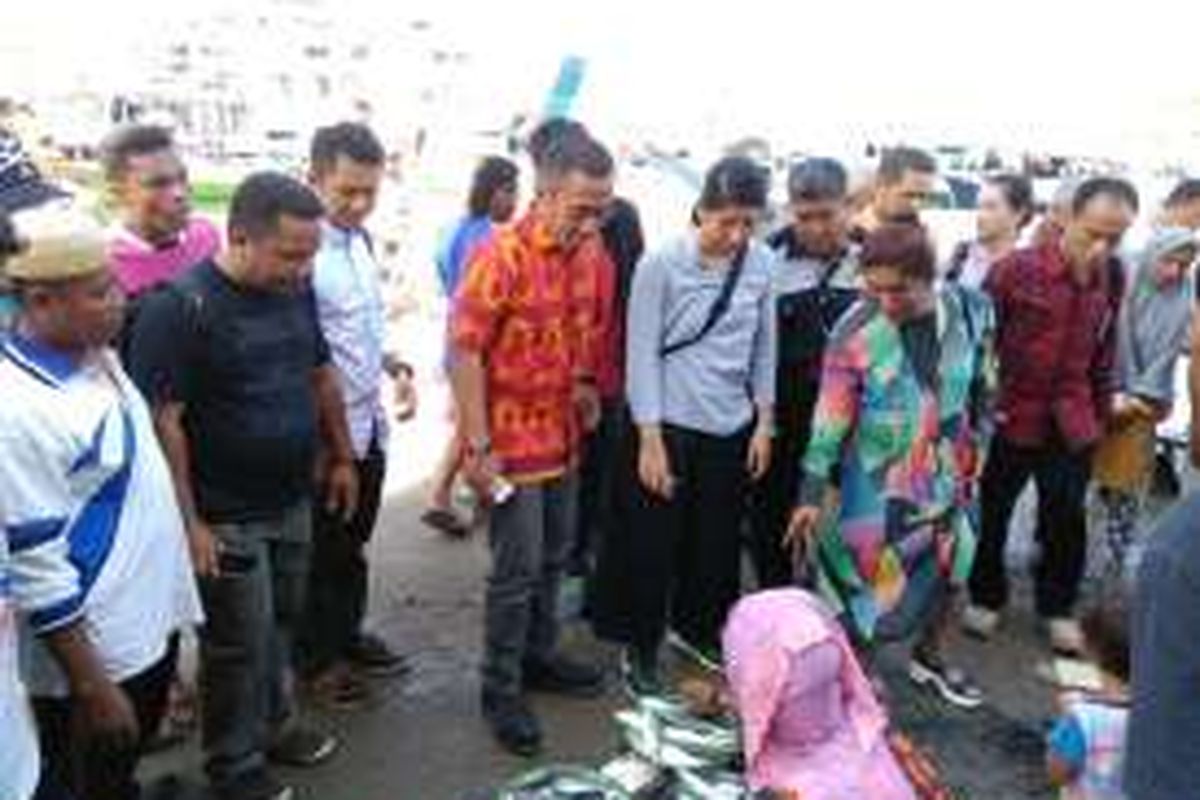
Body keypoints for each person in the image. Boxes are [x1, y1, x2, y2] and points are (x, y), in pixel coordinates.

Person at [127, 173, 357, 800]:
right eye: (290, 254)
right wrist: (190, 522)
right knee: (237, 645)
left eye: (310, 253)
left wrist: (342, 457)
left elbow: (320, 372)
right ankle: (232, 765)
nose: (303, 268)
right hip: (224, 515)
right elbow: (162, 420)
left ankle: (276, 724)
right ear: (239, 237)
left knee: (282, 623)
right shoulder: (178, 308)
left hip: (290, 497)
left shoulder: (294, 289)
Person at [0, 207, 202, 800]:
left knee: (119, 763)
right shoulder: (18, 413)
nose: (119, 299)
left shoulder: (93, 355)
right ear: (39, 302)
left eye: (114, 283)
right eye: (98, 292)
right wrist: (92, 684)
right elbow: (36, 562)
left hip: (142, 622)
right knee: (87, 771)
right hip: (97, 647)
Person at [451, 132, 613, 756]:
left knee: (555, 556)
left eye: (603, 206)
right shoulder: (502, 255)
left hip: (564, 436)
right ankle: (501, 687)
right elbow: (464, 351)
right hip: (510, 443)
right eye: (583, 207)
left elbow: (579, 335)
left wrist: (583, 385)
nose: (594, 220)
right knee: (515, 572)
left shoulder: (590, 251)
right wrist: (478, 442)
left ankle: (540, 657)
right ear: (544, 195)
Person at [786, 223, 993, 709]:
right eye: (873, 287)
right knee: (863, 580)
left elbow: (986, 382)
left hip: (952, 470)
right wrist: (810, 494)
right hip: (878, 479)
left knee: (955, 565)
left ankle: (931, 656)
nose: (885, 300)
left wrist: (979, 449)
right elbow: (830, 416)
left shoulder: (972, 309)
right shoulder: (855, 328)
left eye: (898, 289)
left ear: (931, 276)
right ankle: (859, 670)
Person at [595, 156, 776, 695]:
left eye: (749, 222)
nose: (737, 234)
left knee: (715, 543)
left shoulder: (761, 262)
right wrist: (648, 438)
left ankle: (695, 631)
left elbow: (763, 344)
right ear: (702, 211)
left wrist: (765, 420)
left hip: (730, 427)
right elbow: (641, 353)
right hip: (667, 424)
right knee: (651, 542)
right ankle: (639, 646)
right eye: (726, 222)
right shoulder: (661, 263)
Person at [965, 177, 1137, 655]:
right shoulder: (1015, 270)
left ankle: (1057, 606)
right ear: (1066, 218)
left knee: (1065, 515)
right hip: (1013, 413)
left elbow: (1104, 352)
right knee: (994, 510)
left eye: (1115, 237)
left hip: (1074, 416)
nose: (1102, 245)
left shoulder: (1114, 275)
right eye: (1094, 232)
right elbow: (977, 342)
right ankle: (986, 594)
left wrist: (1100, 416)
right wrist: (978, 411)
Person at [300, 122, 416, 709]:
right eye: (346, 191)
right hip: (326, 435)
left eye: (369, 191)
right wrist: (332, 447)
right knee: (322, 552)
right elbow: (307, 357)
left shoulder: (360, 242)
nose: (359, 204)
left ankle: (345, 636)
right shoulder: (301, 253)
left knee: (352, 545)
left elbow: (356, 331)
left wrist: (393, 364)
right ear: (313, 177)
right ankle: (316, 663)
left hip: (370, 425)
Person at [749, 157, 860, 588]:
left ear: (848, 205)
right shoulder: (766, 259)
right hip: (782, 417)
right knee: (771, 516)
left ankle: (828, 616)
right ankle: (776, 607)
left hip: (849, 426)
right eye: (804, 217)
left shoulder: (872, 260)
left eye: (826, 215)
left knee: (839, 525)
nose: (815, 227)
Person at [723, 589, 916, 800]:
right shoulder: (782, 789)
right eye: (796, 695)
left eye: (830, 684)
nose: (819, 703)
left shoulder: (864, 736)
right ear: (762, 701)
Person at [424, 155, 519, 537]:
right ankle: (443, 495)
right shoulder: (488, 239)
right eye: (511, 190)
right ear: (494, 191)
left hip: (453, 337)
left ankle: (453, 496)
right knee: (471, 427)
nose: (515, 200)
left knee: (465, 425)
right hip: (474, 346)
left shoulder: (454, 229)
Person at [1092, 229, 1196, 578]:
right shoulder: (1126, 284)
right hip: (1099, 396)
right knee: (1083, 484)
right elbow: (1111, 339)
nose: (1176, 273)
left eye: (1185, 265)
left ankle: (1114, 565)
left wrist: (1141, 395)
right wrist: (1116, 391)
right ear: (1153, 255)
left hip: (1146, 405)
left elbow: (1169, 355)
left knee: (1127, 489)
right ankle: (1064, 555)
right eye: (1170, 261)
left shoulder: (1184, 296)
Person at [100, 124, 221, 301]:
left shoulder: (206, 237)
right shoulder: (102, 263)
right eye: (158, 184)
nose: (179, 193)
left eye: (182, 178)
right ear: (118, 194)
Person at [1046, 595, 1131, 800]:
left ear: (1089, 649)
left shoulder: (1082, 716)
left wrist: (1064, 720)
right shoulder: (1160, 706)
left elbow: (1056, 773)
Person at [944, 173, 1035, 290]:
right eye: (979, 207)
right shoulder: (963, 253)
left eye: (991, 207)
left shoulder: (1029, 265)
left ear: (1019, 214)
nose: (981, 215)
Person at [852, 146, 938, 237]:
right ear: (882, 184)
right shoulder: (851, 235)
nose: (917, 204)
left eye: (925, 197)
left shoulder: (922, 236)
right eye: (911, 195)